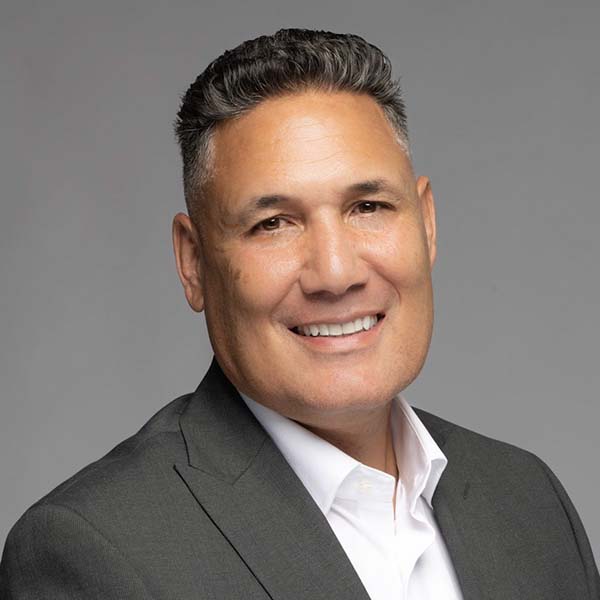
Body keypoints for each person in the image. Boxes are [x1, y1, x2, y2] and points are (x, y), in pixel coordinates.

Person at [1, 28, 598, 600]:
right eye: (273, 224)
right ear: (194, 263)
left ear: (427, 224)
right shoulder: (97, 550)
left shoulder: (528, 502)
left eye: (368, 206)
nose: (335, 273)